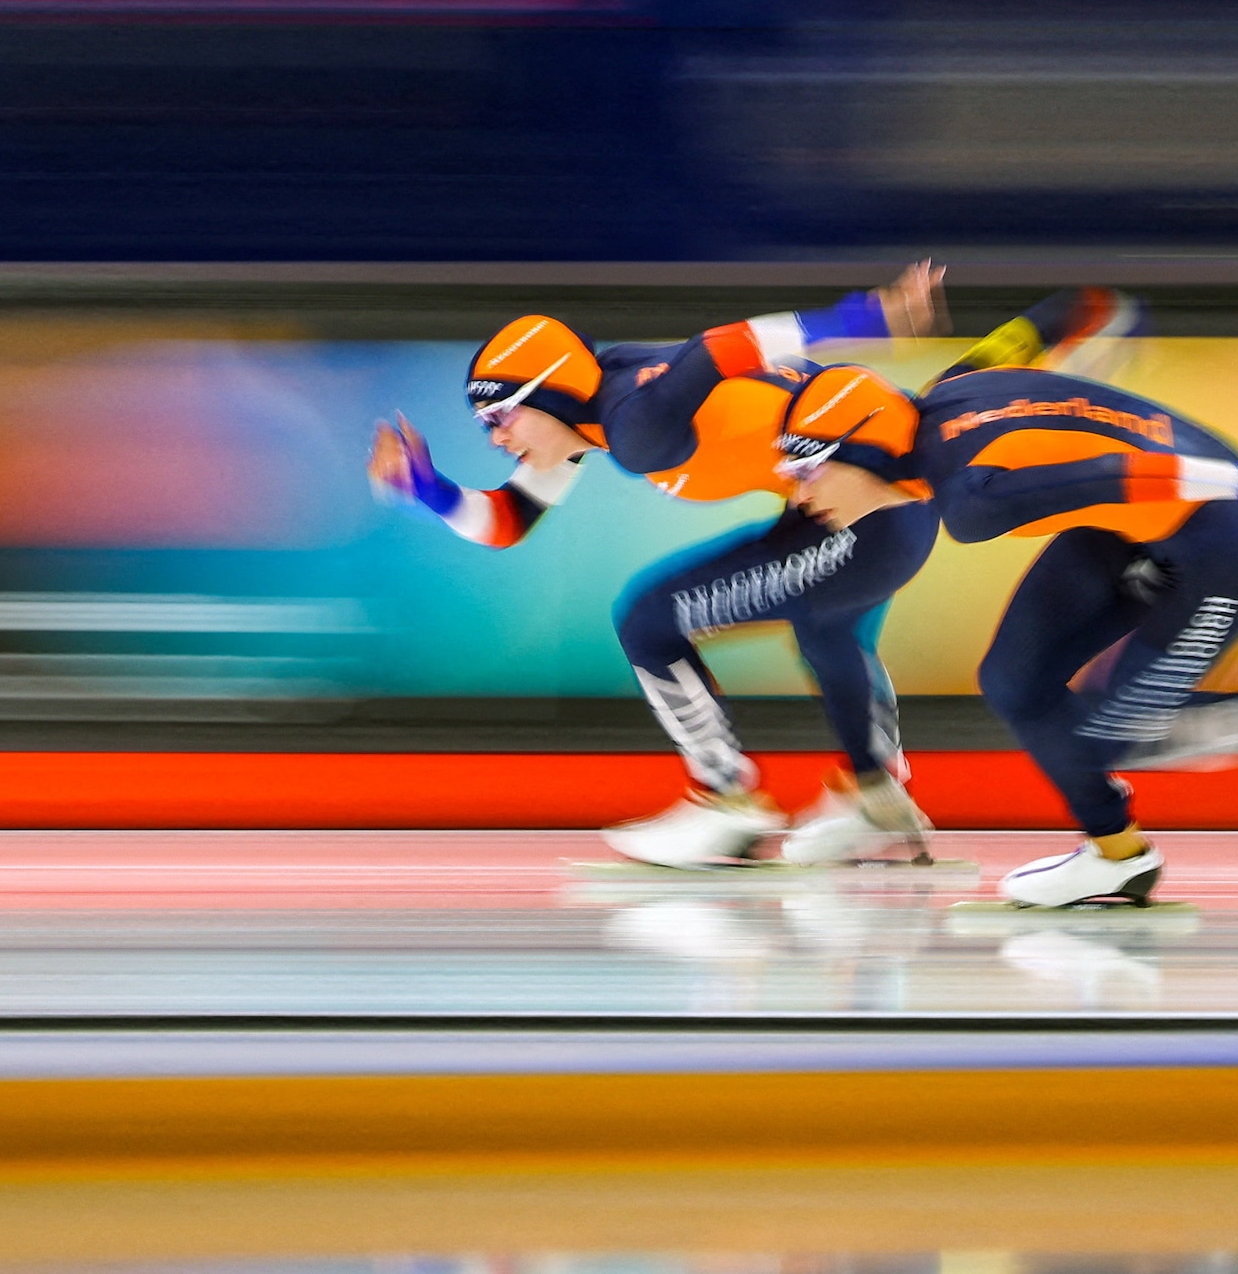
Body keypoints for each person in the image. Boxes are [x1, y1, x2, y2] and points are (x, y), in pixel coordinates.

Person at [367, 266, 946, 869]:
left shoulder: (636, 425)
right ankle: (875, 799)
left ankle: (728, 801)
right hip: (877, 508)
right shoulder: (593, 416)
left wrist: (860, 319)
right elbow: (506, 522)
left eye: (499, 417)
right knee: (825, 631)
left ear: (550, 395)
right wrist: (429, 489)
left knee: (651, 621)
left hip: (876, 513)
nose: (494, 439)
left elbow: (721, 347)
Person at [781, 288, 1238, 908]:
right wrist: (1096, 307)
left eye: (807, 471)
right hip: (1132, 525)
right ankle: (1119, 857)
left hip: (1225, 531)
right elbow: (1030, 332)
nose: (799, 496)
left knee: (1114, 737)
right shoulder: (945, 391)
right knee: (1014, 681)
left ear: (865, 454)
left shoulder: (972, 499)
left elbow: (1111, 474)